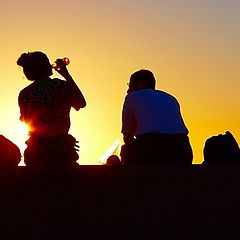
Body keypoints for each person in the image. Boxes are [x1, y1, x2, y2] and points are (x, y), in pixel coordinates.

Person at [17, 51, 86, 170]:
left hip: (37, 152)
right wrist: (66, 74)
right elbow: (81, 103)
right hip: (62, 152)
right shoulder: (63, 87)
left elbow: (26, 121)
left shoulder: (24, 94)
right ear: (45, 67)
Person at [121, 69, 193, 164]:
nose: (128, 90)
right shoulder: (170, 98)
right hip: (182, 151)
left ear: (141, 83)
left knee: (125, 149)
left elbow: (127, 136)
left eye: (130, 85)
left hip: (152, 149)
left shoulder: (132, 96)